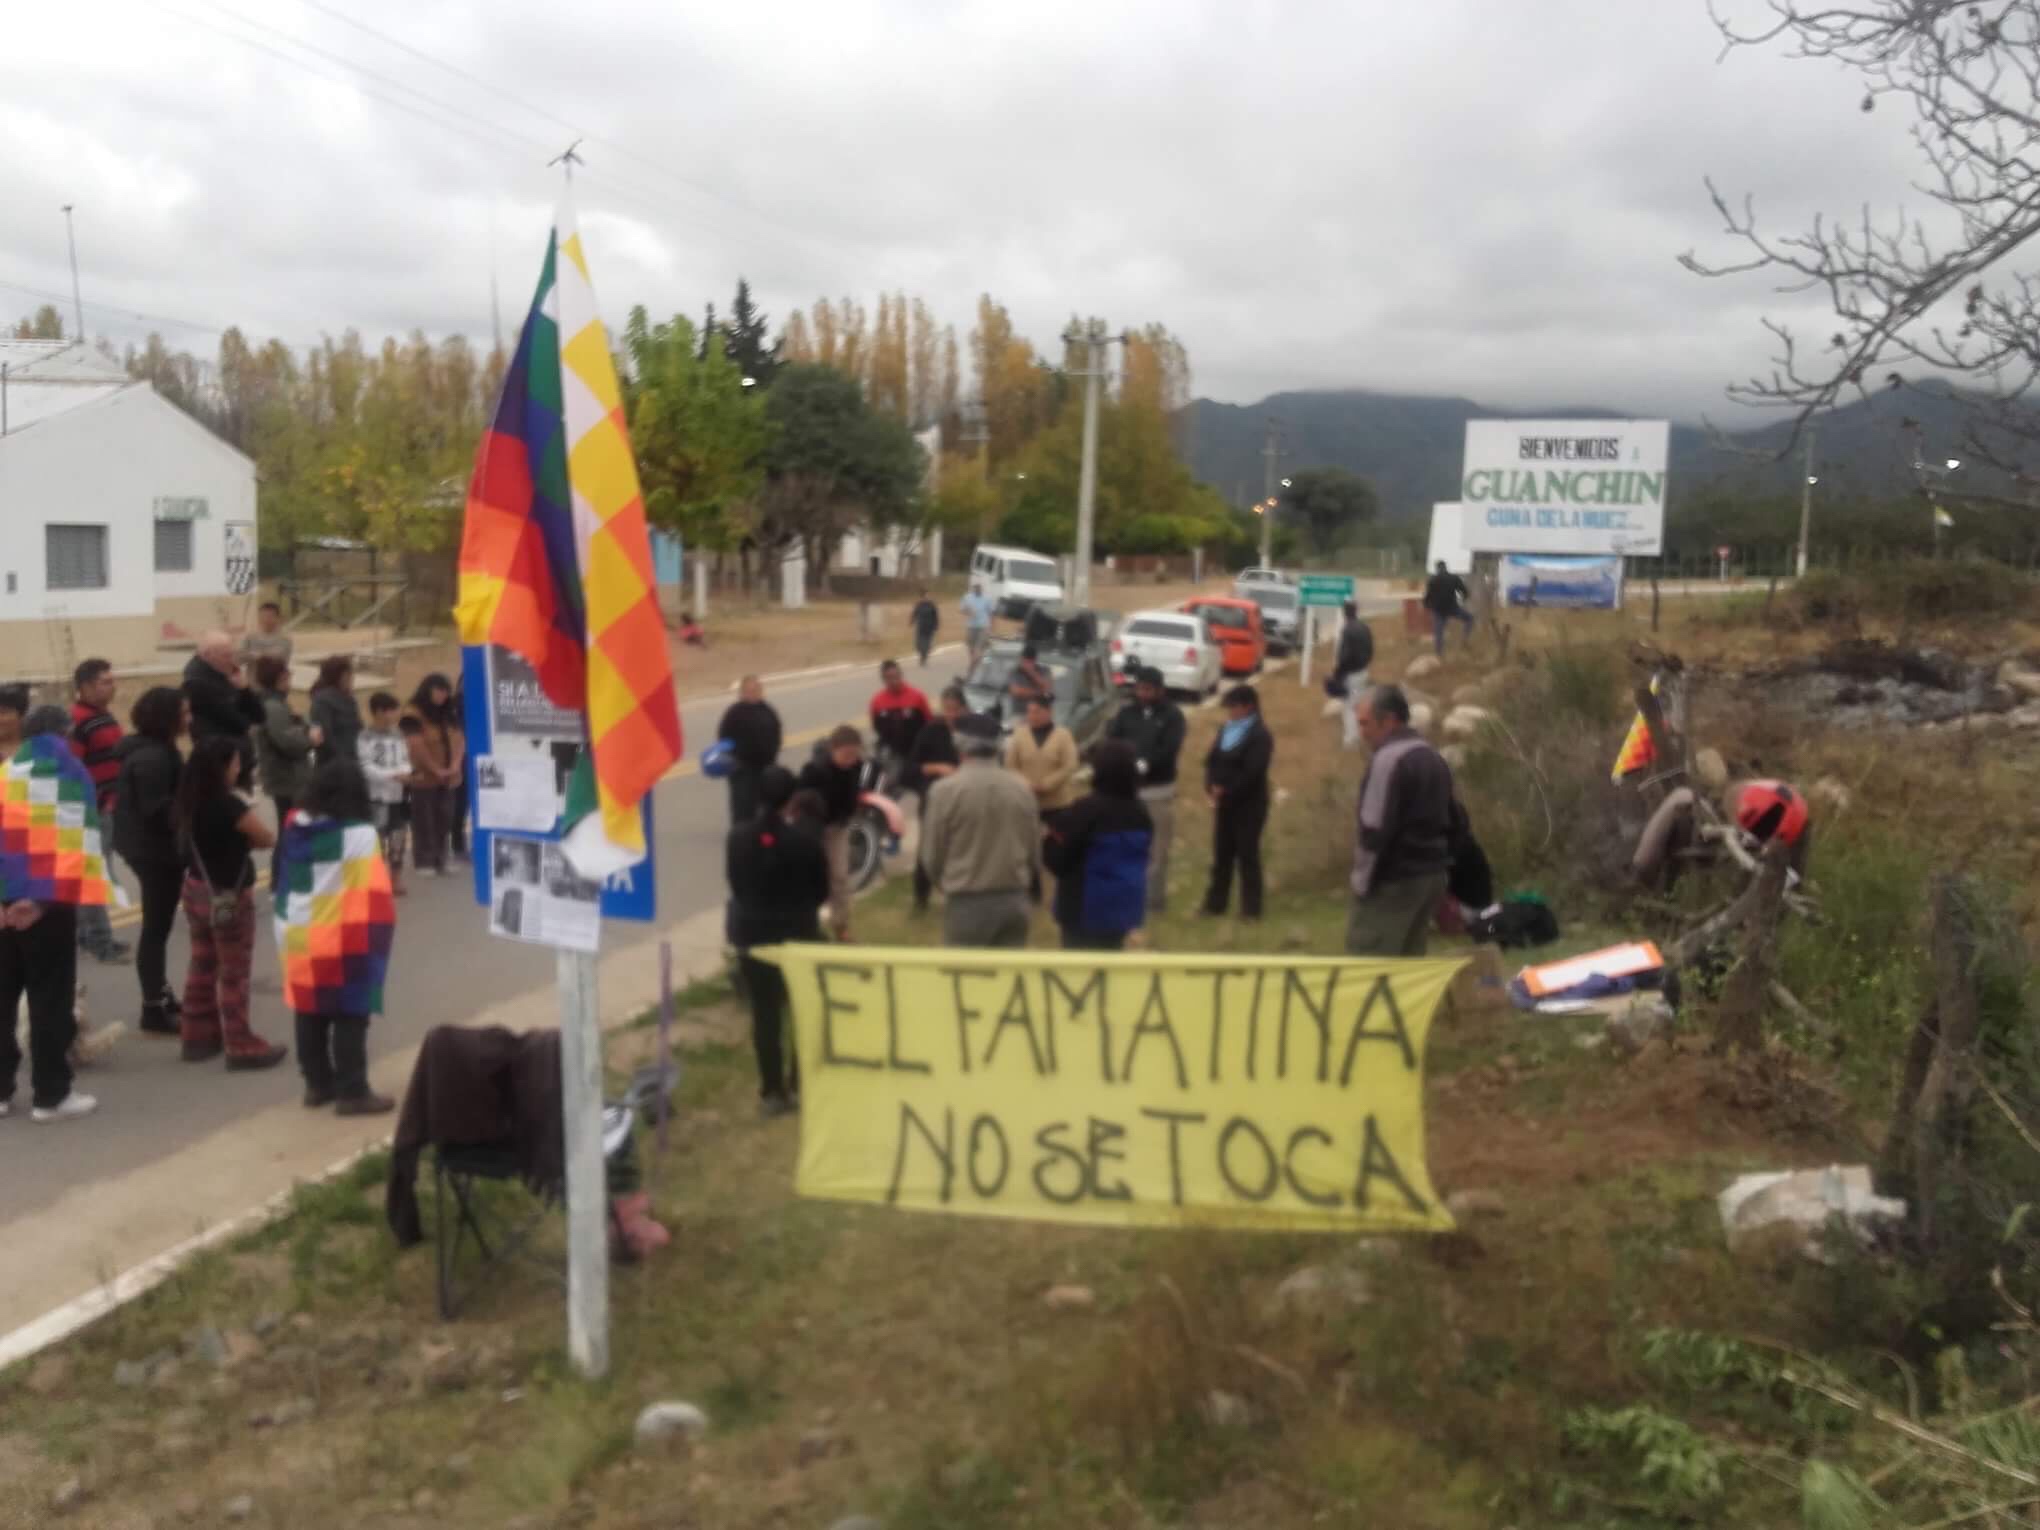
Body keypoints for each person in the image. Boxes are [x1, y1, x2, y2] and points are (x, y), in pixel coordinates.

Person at [277, 760, 396, 1115]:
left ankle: (317, 1085)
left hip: (299, 930)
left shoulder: (294, 824)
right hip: (345, 934)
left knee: (309, 1008)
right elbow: (373, 887)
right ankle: (352, 1091)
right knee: (350, 1011)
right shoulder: (360, 834)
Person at [0, 699, 99, 1123]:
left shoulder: (5, 772)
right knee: (49, 999)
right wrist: (40, 902)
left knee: (2, 997)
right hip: (47, 906)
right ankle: (51, 1094)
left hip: (5, 904)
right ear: (63, 734)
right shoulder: (69, 774)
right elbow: (75, 845)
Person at [173, 735, 287, 1070]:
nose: (239, 768)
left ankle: (197, 1036)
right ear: (222, 767)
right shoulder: (228, 805)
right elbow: (265, 837)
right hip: (228, 894)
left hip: (196, 888)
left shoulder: (188, 801)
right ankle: (240, 1043)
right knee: (234, 972)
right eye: (235, 763)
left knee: (202, 962)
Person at [726, 765, 831, 1117]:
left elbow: (735, 885)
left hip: (753, 936)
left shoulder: (737, 837)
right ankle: (799, 1083)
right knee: (803, 1009)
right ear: (792, 801)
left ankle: (771, 1090)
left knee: (765, 1013)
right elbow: (821, 892)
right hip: (797, 937)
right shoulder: (805, 843)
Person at [1348, 684, 1455, 956]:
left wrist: (1362, 883)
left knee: (1368, 962)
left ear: (1389, 720)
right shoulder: (1433, 757)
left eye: (1365, 723)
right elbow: (1457, 820)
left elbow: (1373, 831)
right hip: (1431, 876)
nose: (1362, 732)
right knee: (1410, 963)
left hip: (1394, 881)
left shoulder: (1387, 761)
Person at [920, 712, 1039, 948]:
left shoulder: (944, 791)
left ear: (959, 745)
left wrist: (945, 883)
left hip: (967, 900)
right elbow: (1033, 849)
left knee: (966, 970)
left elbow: (932, 855)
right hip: (1014, 898)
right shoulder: (1022, 789)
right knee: (1009, 969)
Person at [113, 686, 187, 1037]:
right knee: (156, 929)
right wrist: (193, 806)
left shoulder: (156, 751)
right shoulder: (152, 758)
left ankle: (161, 993)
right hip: (153, 852)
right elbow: (156, 810)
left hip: (150, 848)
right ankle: (152, 1009)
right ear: (168, 717)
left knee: (159, 927)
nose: (188, 718)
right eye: (183, 712)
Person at [1042, 739, 1152, 950]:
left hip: (1083, 909)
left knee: (1077, 965)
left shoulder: (1085, 810)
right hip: (1122, 908)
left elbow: (1056, 858)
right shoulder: (1140, 813)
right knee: (1110, 961)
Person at [1106, 667, 1186, 915]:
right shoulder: (1126, 713)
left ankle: (1153, 902)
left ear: (1160, 690)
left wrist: (1144, 764)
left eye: (1148, 689)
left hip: (1158, 790)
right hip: (1127, 791)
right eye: (1139, 688)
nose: (1143, 694)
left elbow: (1169, 749)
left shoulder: (1173, 716)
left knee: (1157, 849)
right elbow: (1113, 739)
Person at [69, 659, 132, 964]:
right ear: (85, 686)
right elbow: (72, 768)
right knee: (96, 876)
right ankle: (100, 942)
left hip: (107, 806)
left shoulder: (101, 716)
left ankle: (87, 936)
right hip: (90, 810)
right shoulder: (78, 721)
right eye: (105, 682)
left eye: (112, 680)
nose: (112, 686)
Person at [1202, 684, 1273, 920]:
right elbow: (1212, 760)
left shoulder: (1260, 736)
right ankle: (1215, 905)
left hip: (1249, 805)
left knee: (1247, 855)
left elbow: (1252, 771)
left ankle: (1251, 910)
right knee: (1222, 855)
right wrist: (1211, 785)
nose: (1230, 711)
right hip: (1224, 804)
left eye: (1234, 706)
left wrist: (1227, 789)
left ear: (1248, 707)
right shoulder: (1226, 730)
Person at [253, 654, 319, 883]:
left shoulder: (277, 705)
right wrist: (310, 739)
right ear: (280, 678)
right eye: (287, 676)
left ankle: (285, 879)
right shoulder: (273, 707)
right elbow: (287, 742)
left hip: (287, 777)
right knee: (291, 831)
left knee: (292, 829)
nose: (290, 680)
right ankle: (281, 880)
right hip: (287, 779)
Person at [797, 725, 865, 940]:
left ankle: (841, 926)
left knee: (840, 876)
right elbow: (800, 801)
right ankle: (807, 927)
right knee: (813, 879)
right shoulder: (814, 771)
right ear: (833, 749)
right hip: (815, 830)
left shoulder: (856, 767)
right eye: (846, 754)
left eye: (855, 755)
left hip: (838, 827)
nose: (850, 760)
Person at [902, 686, 966, 912]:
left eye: (956, 710)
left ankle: (959, 897)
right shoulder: (931, 732)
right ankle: (921, 900)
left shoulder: (972, 732)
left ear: (964, 709)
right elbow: (909, 770)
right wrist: (937, 768)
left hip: (963, 799)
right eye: (947, 709)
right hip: (933, 797)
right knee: (927, 850)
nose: (951, 715)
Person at [357, 690, 418, 895]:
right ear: (379, 712)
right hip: (376, 795)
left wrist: (407, 772)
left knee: (398, 837)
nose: (395, 714)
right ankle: (378, 880)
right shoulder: (365, 736)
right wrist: (393, 775)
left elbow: (404, 759)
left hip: (398, 795)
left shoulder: (398, 734)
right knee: (377, 839)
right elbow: (365, 766)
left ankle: (396, 878)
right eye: (392, 710)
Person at [402, 674, 464, 876]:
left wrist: (455, 765)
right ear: (428, 690)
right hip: (423, 775)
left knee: (445, 817)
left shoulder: (448, 712)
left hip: (449, 775)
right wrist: (435, 768)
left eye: (446, 692)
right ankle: (424, 861)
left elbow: (459, 738)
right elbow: (415, 743)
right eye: (439, 691)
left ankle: (441, 859)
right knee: (424, 819)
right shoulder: (412, 713)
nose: (443, 696)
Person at [183, 629, 265, 780]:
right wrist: (247, 717)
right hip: (219, 758)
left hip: (238, 753)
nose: (231, 660)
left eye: (232, 654)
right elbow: (239, 722)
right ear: (207, 655)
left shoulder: (228, 672)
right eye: (226, 656)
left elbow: (259, 716)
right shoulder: (197, 682)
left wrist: (245, 689)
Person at [716, 674, 783, 828]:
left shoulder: (767, 709)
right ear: (742, 693)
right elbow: (723, 738)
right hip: (743, 770)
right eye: (750, 690)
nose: (754, 693)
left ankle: (764, 831)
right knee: (743, 807)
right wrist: (734, 759)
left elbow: (776, 731)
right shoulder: (734, 712)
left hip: (766, 767)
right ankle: (741, 833)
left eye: (757, 689)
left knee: (767, 804)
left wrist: (774, 752)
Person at [869, 659, 931, 774]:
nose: (894, 681)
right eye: (889, 678)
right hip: (892, 754)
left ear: (901, 675)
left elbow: (928, 722)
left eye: (896, 676)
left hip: (916, 751)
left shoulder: (917, 697)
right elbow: (876, 726)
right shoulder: (877, 701)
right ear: (883, 679)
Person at [1332, 601, 1377, 750]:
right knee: (1359, 704)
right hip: (1363, 670)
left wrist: (1338, 672)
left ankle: (1352, 740)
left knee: (1350, 707)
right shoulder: (1364, 627)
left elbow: (1344, 656)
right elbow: (1371, 650)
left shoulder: (1347, 630)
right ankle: (1360, 735)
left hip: (1351, 673)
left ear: (1345, 613)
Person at [308, 654, 362, 769]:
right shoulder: (322, 701)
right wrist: (343, 760)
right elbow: (324, 736)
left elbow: (357, 729)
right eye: (348, 674)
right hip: (333, 766)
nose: (352, 678)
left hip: (352, 762)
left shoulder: (349, 700)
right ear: (339, 676)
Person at [1423, 561, 1475, 658]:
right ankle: (1465, 638)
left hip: (1439, 610)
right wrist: (1463, 601)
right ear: (1446, 567)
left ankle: (1439, 654)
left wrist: (1428, 606)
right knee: (1470, 619)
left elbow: (1428, 597)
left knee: (1439, 632)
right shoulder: (1454, 578)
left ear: (1437, 569)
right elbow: (1465, 592)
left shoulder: (1433, 580)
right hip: (1453, 608)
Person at [239, 601, 293, 671]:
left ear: (278, 618)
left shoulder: (285, 640)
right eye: (263, 616)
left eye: (269, 616)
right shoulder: (250, 638)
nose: (265, 619)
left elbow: (279, 658)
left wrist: (255, 655)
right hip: (253, 676)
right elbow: (240, 659)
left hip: (275, 676)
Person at [1007, 644, 1052, 715]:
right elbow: (1017, 691)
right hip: (1019, 712)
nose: (1026, 663)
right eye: (1024, 660)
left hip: (1039, 714)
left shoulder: (1044, 670)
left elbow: (1047, 687)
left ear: (1034, 660)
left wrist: (1031, 672)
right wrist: (1040, 693)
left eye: (1030, 661)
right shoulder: (1015, 671)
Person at [960, 582, 994, 663]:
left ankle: (976, 662)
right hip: (971, 626)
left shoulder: (987, 598)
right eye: (976, 588)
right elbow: (962, 609)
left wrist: (991, 628)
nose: (978, 589)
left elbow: (991, 613)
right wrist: (968, 611)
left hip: (983, 626)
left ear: (982, 589)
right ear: (973, 589)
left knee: (979, 647)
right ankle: (975, 660)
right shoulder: (967, 597)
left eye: (979, 588)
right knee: (970, 646)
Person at [909, 589, 940, 667]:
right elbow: (914, 613)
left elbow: (935, 615)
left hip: (930, 627)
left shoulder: (932, 604)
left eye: (928, 595)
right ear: (922, 597)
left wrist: (936, 625)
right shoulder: (918, 604)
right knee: (919, 645)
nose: (927, 597)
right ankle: (922, 655)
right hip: (921, 627)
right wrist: (911, 621)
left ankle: (924, 658)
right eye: (926, 596)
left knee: (927, 645)